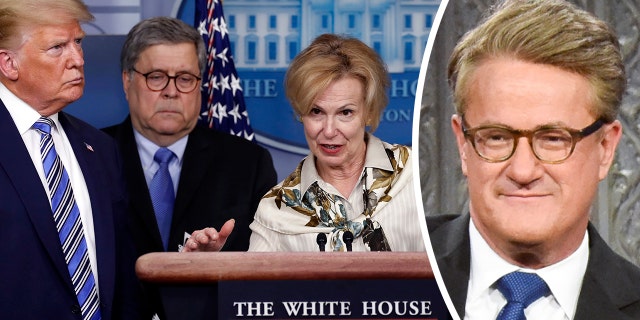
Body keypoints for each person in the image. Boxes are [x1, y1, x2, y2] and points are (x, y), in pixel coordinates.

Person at [425, 0, 640, 319]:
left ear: (606, 148)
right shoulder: (383, 269)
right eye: (496, 137)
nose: (523, 171)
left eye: (554, 139)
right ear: (463, 143)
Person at [103, 16, 277, 319]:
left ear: (200, 86)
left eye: (185, 78)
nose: (171, 92)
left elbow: (263, 275)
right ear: (127, 80)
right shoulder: (90, 155)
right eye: (156, 76)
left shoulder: (247, 164)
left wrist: (212, 265)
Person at [0, 0, 140, 318]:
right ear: (8, 63)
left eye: (78, 42)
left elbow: (122, 277)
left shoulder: (100, 149)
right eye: (57, 47)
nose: (77, 59)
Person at [243, 33, 425, 252]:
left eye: (345, 112)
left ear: (368, 112)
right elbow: (255, 286)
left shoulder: (418, 177)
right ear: (302, 113)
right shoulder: (275, 210)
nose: (329, 131)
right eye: (316, 111)